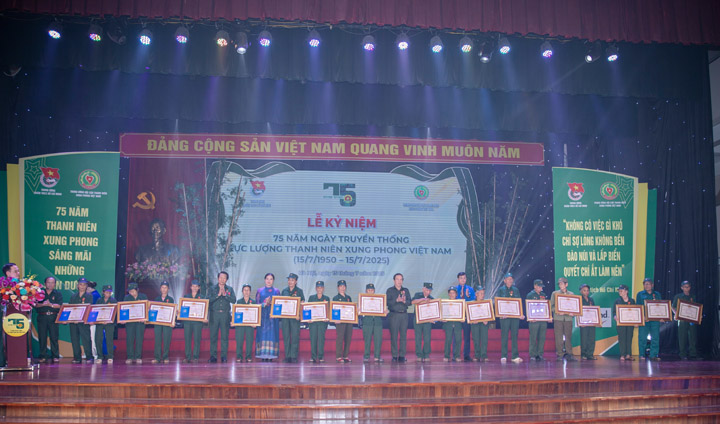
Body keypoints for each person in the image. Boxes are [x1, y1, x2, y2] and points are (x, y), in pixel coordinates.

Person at [496, 273, 524, 363]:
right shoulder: (501, 290)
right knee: (504, 335)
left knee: (514, 335)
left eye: (511, 279)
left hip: (514, 317)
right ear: (504, 280)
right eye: (508, 279)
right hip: (504, 317)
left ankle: (515, 356)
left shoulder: (516, 290)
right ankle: (504, 355)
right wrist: (500, 314)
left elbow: (519, 302)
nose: (510, 281)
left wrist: (520, 314)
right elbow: (498, 302)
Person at [208, 271, 236, 363]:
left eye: (224, 278)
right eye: (221, 277)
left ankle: (224, 356)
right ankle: (213, 356)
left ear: (226, 279)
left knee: (224, 337)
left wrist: (225, 295)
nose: (222, 279)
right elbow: (207, 300)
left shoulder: (229, 289)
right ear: (218, 278)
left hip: (225, 315)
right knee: (213, 336)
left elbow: (234, 300)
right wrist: (217, 295)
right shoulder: (212, 288)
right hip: (214, 314)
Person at [36, 276, 63, 364]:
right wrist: (43, 304)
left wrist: (50, 304)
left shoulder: (58, 294)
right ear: (45, 283)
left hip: (53, 317)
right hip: (42, 317)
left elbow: (59, 306)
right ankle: (43, 355)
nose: (50, 284)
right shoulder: (39, 293)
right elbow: (35, 304)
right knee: (42, 337)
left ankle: (55, 356)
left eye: (52, 283)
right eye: (48, 282)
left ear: (55, 284)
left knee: (54, 337)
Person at [386, 273, 412, 362]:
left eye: (401, 279)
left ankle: (402, 355)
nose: (399, 281)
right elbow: (387, 302)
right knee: (394, 336)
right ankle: (394, 355)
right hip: (394, 315)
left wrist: (404, 301)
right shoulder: (390, 290)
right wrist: (396, 300)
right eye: (397, 279)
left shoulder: (406, 290)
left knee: (403, 336)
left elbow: (410, 302)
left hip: (404, 315)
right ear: (394, 280)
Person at [256, 273, 281, 361]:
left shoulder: (277, 291)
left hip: (272, 317)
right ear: (264, 280)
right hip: (263, 317)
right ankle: (262, 355)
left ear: (273, 280)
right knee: (262, 335)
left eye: (271, 279)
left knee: (272, 335)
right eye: (267, 279)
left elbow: (279, 304)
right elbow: (257, 304)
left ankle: (271, 355)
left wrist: (271, 303)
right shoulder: (260, 290)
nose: (269, 281)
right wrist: (264, 304)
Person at [636, 277, 662, 361]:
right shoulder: (640, 294)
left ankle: (653, 355)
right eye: (645, 284)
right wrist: (642, 316)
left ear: (652, 285)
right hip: (644, 320)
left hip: (655, 320)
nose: (646, 286)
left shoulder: (657, 294)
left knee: (655, 337)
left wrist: (661, 316)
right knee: (642, 338)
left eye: (648, 284)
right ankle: (642, 354)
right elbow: (638, 307)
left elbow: (660, 306)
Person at [69, 277, 94, 364]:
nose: (82, 286)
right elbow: (70, 308)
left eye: (84, 285)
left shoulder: (89, 296)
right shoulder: (73, 296)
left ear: (86, 286)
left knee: (86, 339)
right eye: (80, 284)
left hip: (84, 321)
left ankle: (89, 357)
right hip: (73, 322)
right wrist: (72, 318)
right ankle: (77, 357)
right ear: (77, 285)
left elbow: (89, 309)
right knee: (74, 339)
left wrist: (81, 319)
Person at [281, 273, 305, 363]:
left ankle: (294, 356)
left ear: (296, 281)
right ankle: (287, 356)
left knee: (295, 336)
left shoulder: (299, 291)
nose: (290, 282)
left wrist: (299, 314)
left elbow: (302, 303)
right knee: (286, 336)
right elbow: (281, 303)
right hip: (285, 317)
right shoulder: (284, 291)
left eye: (292, 280)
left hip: (295, 318)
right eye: (289, 280)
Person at [673, 280, 699, 360]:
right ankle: (682, 353)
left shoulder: (693, 296)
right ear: (682, 288)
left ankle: (693, 353)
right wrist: (676, 314)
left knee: (692, 337)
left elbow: (695, 307)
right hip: (682, 320)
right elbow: (673, 307)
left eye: (688, 287)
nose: (686, 288)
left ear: (690, 288)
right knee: (682, 337)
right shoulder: (678, 296)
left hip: (691, 319)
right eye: (685, 287)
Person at [551, 277, 575, 361]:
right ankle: (560, 354)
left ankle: (569, 354)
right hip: (558, 318)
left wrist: (573, 312)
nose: (560, 285)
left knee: (568, 337)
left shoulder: (571, 294)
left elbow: (574, 306)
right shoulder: (555, 293)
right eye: (559, 284)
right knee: (559, 337)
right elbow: (552, 306)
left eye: (562, 283)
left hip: (568, 319)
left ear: (566, 284)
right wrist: (557, 311)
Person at [124, 282, 148, 364]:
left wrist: (145, 318)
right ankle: (130, 357)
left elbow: (147, 308)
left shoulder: (143, 297)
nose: (131, 293)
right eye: (130, 291)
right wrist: (123, 319)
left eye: (133, 291)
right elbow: (123, 309)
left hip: (140, 322)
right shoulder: (126, 298)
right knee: (129, 339)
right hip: (130, 322)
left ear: (137, 290)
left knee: (139, 339)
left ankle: (138, 357)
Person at [0, 263, 19, 367]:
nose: (18, 273)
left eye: (18, 271)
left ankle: (16, 361)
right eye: (15, 271)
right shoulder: (2, 286)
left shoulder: (21, 286)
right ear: (8, 273)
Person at [182, 280, 205, 363]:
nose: (195, 288)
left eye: (196, 286)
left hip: (197, 322)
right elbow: (183, 308)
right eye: (193, 286)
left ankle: (195, 357)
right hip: (187, 321)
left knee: (197, 339)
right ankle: (188, 357)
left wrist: (205, 317)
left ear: (199, 288)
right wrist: (180, 312)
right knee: (187, 339)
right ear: (191, 287)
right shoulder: (186, 297)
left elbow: (205, 309)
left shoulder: (202, 298)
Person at [361, 283, 385, 363]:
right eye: (369, 290)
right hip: (367, 321)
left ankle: (377, 356)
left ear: (374, 291)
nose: (370, 291)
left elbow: (383, 310)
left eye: (372, 290)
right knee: (367, 340)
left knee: (378, 340)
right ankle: (366, 356)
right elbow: (359, 311)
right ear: (366, 291)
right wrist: (358, 310)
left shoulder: (379, 300)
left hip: (377, 321)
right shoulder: (362, 300)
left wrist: (385, 311)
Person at [307, 281, 330, 363]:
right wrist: (308, 318)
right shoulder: (311, 298)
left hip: (322, 323)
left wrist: (327, 317)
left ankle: (320, 356)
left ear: (323, 288)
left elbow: (328, 310)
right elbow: (308, 309)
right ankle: (313, 356)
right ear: (316, 288)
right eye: (318, 287)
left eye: (321, 287)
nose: (319, 289)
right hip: (313, 322)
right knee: (313, 339)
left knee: (321, 340)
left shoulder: (326, 298)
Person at [411, 282, 434, 362]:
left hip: (427, 320)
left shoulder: (432, 298)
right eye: (427, 290)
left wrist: (433, 318)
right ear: (423, 289)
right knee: (418, 337)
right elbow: (412, 302)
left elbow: (434, 311)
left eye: (430, 290)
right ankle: (419, 354)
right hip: (418, 319)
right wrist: (423, 300)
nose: (428, 292)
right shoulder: (418, 295)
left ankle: (426, 354)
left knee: (427, 338)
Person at [152, 281, 174, 364]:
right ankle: (157, 358)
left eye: (165, 288)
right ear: (160, 289)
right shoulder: (156, 299)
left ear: (168, 289)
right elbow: (153, 311)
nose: (164, 289)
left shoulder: (171, 299)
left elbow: (172, 311)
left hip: (167, 323)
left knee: (166, 339)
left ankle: (165, 357)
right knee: (157, 340)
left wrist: (172, 321)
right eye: (162, 287)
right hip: (158, 322)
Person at [526, 279, 548, 361]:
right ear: (535, 286)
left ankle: (540, 354)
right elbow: (527, 307)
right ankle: (532, 354)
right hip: (534, 320)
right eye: (539, 286)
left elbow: (546, 307)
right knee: (533, 337)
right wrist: (529, 318)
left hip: (542, 320)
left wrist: (548, 316)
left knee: (542, 338)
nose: (541, 288)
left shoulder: (543, 295)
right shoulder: (530, 295)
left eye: (541, 287)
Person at [455, 272, 475, 361]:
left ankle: (466, 355)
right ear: (458, 279)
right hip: (457, 315)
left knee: (467, 336)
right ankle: (456, 355)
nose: (463, 280)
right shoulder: (455, 289)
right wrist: (459, 298)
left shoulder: (470, 289)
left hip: (467, 315)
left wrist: (468, 296)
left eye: (464, 278)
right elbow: (452, 301)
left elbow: (473, 301)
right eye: (461, 278)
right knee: (457, 336)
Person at [94, 285, 117, 364]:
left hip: (109, 323)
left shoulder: (113, 300)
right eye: (106, 292)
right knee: (98, 339)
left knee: (109, 339)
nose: (108, 294)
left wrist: (110, 320)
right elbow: (96, 311)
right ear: (103, 292)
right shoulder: (99, 300)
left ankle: (110, 356)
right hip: (100, 323)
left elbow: (115, 312)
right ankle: (99, 356)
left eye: (110, 292)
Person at [614, 284, 636, 361]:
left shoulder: (632, 301)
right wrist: (615, 317)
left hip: (630, 323)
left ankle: (628, 354)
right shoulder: (617, 301)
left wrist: (636, 321)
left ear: (626, 291)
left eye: (621, 290)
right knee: (622, 338)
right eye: (619, 291)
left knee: (629, 338)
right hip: (621, 323)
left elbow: (635, 312)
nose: (620, 292)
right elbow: (614, 312)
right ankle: (622, 354)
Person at [333, 280, 353, 363]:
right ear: (338, 288)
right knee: (340, 338)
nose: (342, 288)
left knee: (348, 338)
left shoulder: (348, 298)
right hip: (340, 322)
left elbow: (351, 309)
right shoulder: (336, 298)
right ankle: (338, 356)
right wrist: (335, 319)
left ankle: (345, 356)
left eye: (344, 286)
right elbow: (334, 310)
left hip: (349, 321)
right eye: (340, 286)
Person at [235, 284, 255, 363]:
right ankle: (239, 356)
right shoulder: (239, 301)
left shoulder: (253, 302)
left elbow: (255, 314)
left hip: (250, 324)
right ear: (242, 291)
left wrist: (255, 323)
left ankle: (248, 356)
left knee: (249, 341)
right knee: (239, 340)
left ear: (250, 292)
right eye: (245, 290)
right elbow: (237, 313)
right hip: (240, 324)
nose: (246, 292)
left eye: (248, 290)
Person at [470, 286, 490, 362]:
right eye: (481, 293)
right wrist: (472, 320)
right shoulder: (471, 303)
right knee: (476, 339)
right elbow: (469, 315)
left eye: (483, 293)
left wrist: (487, 320)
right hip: (475, 323)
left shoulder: (487, 303)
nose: (482, 295)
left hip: (484, 323)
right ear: (476, 294)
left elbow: (490, 314)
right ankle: (477, 355)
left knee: (484, 339)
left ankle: (484, 355)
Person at [443, 287, 462, 362]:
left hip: (457, 323)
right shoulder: (445, 303)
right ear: (448, 294)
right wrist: (442, 318)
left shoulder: (460, 303)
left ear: (456, 294)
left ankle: (457, 356)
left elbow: (463, 314)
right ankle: (446, 356)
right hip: (448, 323)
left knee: (458, 339)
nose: (451, 294)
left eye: (453, 293)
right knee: (448, 340)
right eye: (450, 293)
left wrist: (463, 318)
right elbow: (442, 313)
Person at [579, 284, 596, 360]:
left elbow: (595, 310)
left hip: (591, 322)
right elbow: (578, 311)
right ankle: (584, 354)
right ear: (581, 291)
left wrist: (595, 320)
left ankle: (590, 354)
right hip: (583, 322)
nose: (586, 292)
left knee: (591, 338)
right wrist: (580, 322)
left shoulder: (591, 299)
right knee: (584, 339)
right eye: (584, 290)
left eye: (587, 290)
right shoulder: (579, 299)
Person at [86, 281, 100, 359]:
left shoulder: (93, 295)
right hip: (92, 318)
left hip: (93, 318)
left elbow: (92, 308)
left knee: (93, 337)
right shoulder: (94, 294)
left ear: (89, 288)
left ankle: (94, 353)